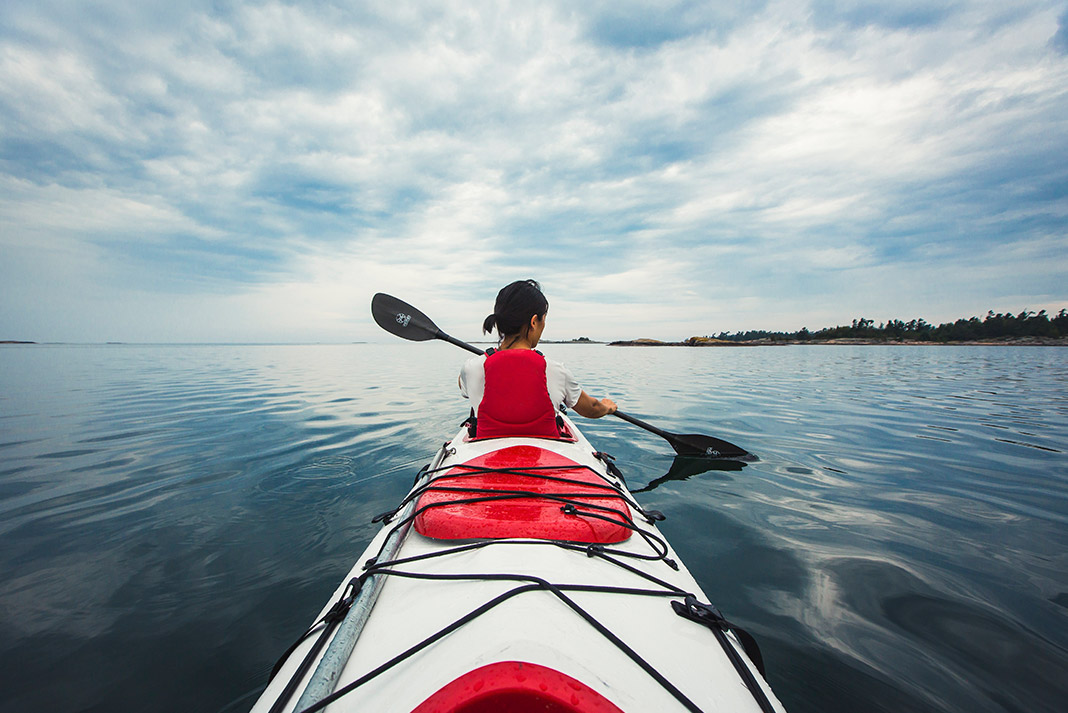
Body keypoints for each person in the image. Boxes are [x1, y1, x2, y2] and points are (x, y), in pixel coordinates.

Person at [459, 280, 617, 439]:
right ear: (534, 322)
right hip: (543, 456)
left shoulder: (471, 368)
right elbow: (591, 408)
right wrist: (607, 407)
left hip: (487, 454)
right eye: (544, 319)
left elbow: (462, 383)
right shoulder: (556, 370)